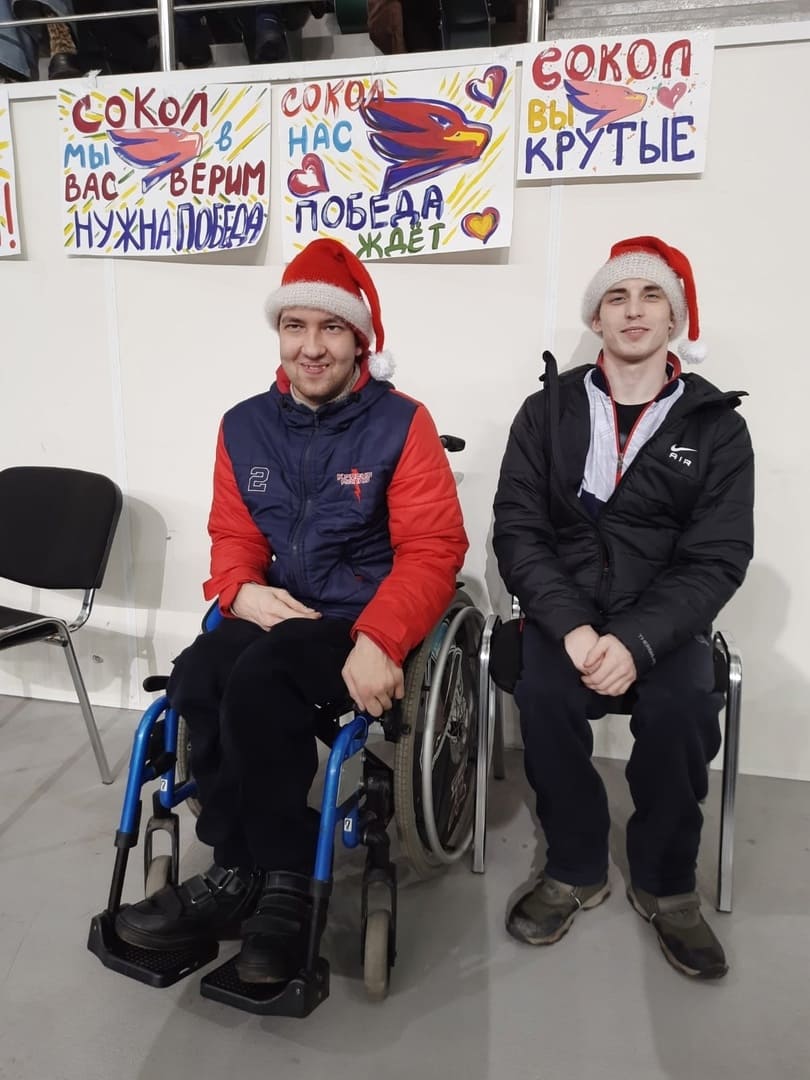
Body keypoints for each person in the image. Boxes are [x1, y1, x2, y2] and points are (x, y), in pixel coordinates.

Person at [115, 238, 468, 986]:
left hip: (359, 618)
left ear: (360, 339)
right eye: (295, 326)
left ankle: (284, 883)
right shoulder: (244, 424)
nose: (311, 347)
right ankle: (238, 866)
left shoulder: (402, 424)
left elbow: (433, 549)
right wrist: (237, 589)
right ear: (278, 333)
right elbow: (234, 532)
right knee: (198, 676)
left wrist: (382, 639)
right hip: (274, 607)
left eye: (331, 328)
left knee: (262, 683)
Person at [493, 236, 754, 979]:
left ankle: (667, 883)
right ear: (597, 318)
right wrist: (573, 629)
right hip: (563, 614)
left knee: (683, 706)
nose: (633, 310)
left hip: (665, 622)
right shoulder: (545, 413)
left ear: (675, 320)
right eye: (617, 297)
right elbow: (518, 530)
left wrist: (637, 641)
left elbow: (717, 558)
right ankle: (575, 867)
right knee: (543, 693)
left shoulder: (717, 427)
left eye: (650, 297)